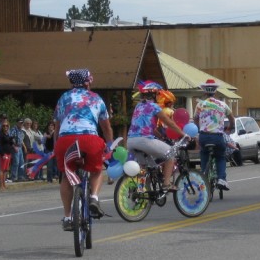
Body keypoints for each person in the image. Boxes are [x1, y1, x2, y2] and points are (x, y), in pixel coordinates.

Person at [54, 68, 113, 230]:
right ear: (88, 82)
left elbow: (57, 127)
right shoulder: (96, 98)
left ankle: (67, 217)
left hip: (65, 140)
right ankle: (93, 197)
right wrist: (110, 146)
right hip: (90, 139)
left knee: (66, 175)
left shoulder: (64, 98)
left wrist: (55, 148)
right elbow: (106, 128)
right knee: (97, 170)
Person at [125, 80, 185, 189]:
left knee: (146, 167)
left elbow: (148, 128)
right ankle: (166, 183)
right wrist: (183, 134)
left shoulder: (138, 106)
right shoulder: (154, 107)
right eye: (157, 94)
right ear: (153, 94)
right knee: (171, 153)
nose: (158, 96)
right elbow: (169, 122)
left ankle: (142, 191)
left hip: (130, 141)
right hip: (144, 141)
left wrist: (161, 137)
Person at [194, 78, 235, 190]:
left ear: (205, 91)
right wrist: (229, 128)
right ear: (215, 91)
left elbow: (195, 119)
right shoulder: (223, 104)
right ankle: (221, 179)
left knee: (204, 155)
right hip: (217, 137)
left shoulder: (200, 105)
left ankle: (203, 177)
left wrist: (200, 128)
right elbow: (232, 119)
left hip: (204, 136)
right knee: (220, 157)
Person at [0, 119, 15, 189]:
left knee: (6, 169)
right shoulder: (0, 134)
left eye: (7, 125)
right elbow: (0, 145)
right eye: (4, 125)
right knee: (2, 169)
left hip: (8, 153)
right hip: (3, 153)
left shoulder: (8, 133)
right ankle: (1, 185)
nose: (5, 127)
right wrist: (2, 154)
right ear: (2, 126)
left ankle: (4, 184)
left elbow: (9, 143)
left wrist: (11, 140)